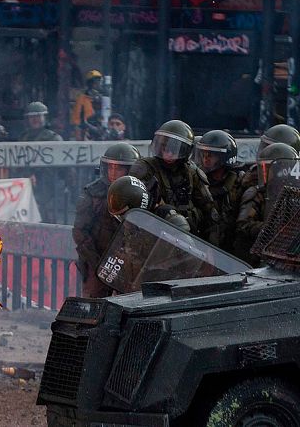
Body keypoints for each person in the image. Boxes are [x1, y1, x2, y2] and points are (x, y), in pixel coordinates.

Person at [129, 120, 221, 243]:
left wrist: (211, 249)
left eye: (174, 148)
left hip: (190, 239)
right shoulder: (145, 168)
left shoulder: (191, 171)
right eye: (164, 147)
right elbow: (135, 207)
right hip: (155, 238)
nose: (168, 153)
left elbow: (210, 212)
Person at [73, 143, 141, 298]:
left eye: (119, 168)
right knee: (93, 304)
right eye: (110, 167)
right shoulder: (92, 193)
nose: (113, 173)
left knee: (131, 303)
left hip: (128, 259)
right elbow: (80, 231)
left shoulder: (140, 192)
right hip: (97, 257)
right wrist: (95, 261)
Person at [235, 143, 300, 266]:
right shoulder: (255, 193)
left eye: (270, 169)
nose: (265, 173)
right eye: (263, 168)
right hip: (258, 256)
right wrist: (270, 228)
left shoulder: (294, 193)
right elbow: (243, 225)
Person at [192, 130, 243, 254]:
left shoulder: (240, 182)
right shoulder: (195, 181)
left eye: (211, 155)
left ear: (225, 157)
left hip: (232, 248)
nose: (205, 159)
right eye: (203, 154)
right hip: (203, 246)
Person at [16, 101, 64, 223]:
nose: (35, 119)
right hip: (26, 183)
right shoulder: (23, 138)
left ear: (44, 118)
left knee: (49, 217)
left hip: (49, 183)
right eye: (32, 117)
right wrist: (28, 174)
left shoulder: (54, 138)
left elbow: (60, 166)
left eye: (38, 116)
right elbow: (19, 161)